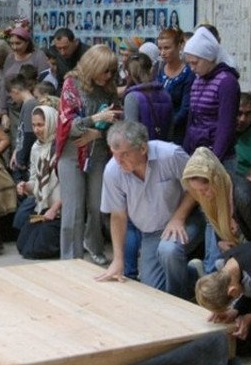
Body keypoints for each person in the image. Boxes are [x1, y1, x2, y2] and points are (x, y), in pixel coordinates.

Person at [96, 121, 201, 300]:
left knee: (169, 250)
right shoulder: (112, 170)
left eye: (124, 154)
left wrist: (178, 217)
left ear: (143, 148)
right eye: (114, 155)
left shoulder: (170, 155)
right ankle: (192, 276)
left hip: (186, 220)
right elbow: (118, 216)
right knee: (151, 291)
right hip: (151, 233)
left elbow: (197, 188)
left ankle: (179, 301)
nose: (119, 161)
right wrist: (118, 259)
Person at [55, 45, 118, 265]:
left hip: (98, 154)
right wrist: (93, 121)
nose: (108, 76)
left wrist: (97, 135)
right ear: (93, 67)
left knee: (97, 205)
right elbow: (68, 126)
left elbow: (116, 126)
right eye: (104, 71)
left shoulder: (109, 89)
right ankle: (70, 259)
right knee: (72, 210)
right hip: (72, 155)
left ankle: (93, 244)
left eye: (112, 71)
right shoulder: (71, 84)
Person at [183, 146, 251, 265]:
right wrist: (221, 243)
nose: (201, 195)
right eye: (196, 191)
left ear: (215, 180)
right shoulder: (220, 186)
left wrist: (238, 253)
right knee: (220, 263)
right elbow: (217, 222)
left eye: (204, 190)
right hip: (245, 246)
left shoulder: (245, 199)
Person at [181, 27, 240, 162]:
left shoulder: (226, 82)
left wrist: (214, 160)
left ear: (209, 57)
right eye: (189, 63)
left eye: (195, 63)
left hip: (218, 156)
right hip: (196, 151)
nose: (192, 68)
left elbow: (226, 125)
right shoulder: (197, 80)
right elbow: (192, 119)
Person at [14, 105, 61, 259]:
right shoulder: (36, 147)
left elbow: (70, 188)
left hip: (59, 210)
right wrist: (26, 186)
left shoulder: (61, 148)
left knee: (37, 249)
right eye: (34, 125)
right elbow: (35, 181)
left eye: (41, 125)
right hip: (43, 207)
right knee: (23, 245)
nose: (36, 130)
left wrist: (54, 209)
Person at [121, 52, 173, 142]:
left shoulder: (132, 98)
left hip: (142, 151)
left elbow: (130, 134)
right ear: (151, 69)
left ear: (129, 73)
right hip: (163, 147)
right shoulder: (165, 94)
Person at [155, 28, 194, 144]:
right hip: (157, 129)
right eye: (160, 48)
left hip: (178, 133)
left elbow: (186, 108)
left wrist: (166, 125)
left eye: (167, 48)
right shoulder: (157, 68)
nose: (162, 53)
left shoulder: (188, 73)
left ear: (179, 46)